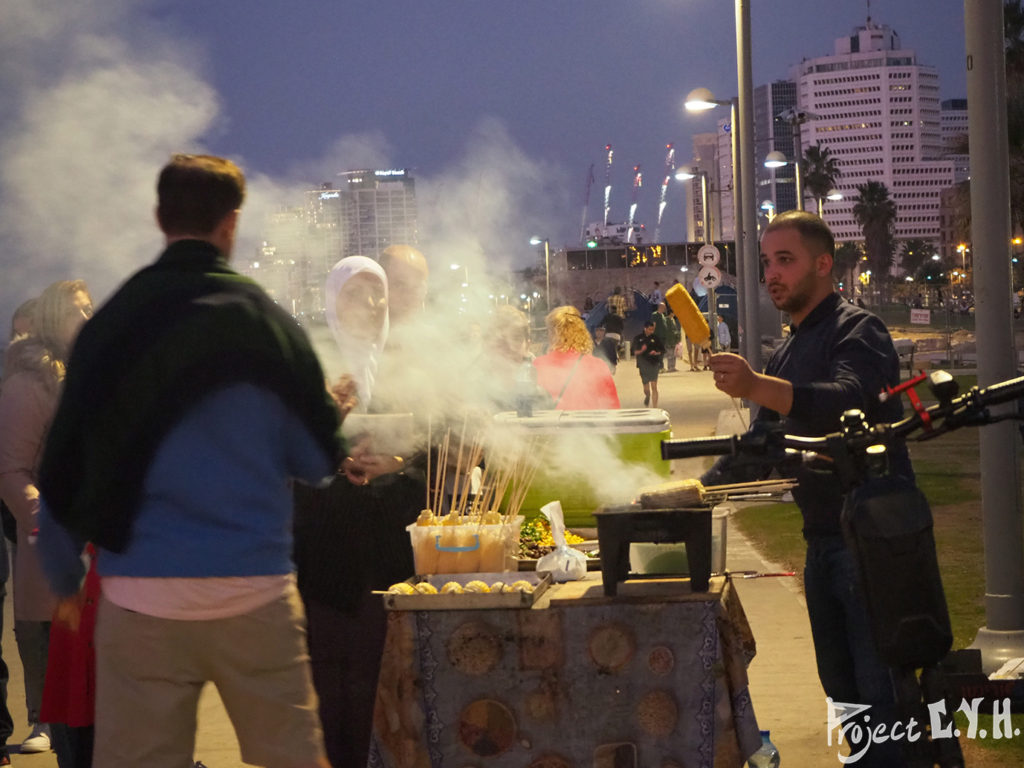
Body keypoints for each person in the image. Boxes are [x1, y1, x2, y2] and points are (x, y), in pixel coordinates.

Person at [35, 154, 350, 768]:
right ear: (231, 225)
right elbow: (316, 459)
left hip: (140, 598)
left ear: (159, 218)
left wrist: (63, 576)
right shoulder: (266, 321)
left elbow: (65, 463)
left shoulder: (114, 323)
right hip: (255, 591)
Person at [705, 210, 909, 767]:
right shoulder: (789, 350)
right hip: (822, 543)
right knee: (846, 698)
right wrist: (685, 493)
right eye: (767, 262)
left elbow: (850, 399)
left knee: (884, 697)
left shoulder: (857, 329)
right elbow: (764, 447)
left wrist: (756, 385)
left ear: (824, 264)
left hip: (873, 542)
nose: (772, 273)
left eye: (785, 260)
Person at [293, 256, 423, 768]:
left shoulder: (410, 362)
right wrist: (333, 447)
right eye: (355, 293)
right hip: (326, 545)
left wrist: (396, 461)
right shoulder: (310, 362)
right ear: (333, 299)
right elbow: (283, 445)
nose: (369, 304)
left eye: (378, 293)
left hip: (392, 543)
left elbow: (440, 444)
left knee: (385, 676)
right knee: (328, 679)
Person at [0, 281, 92, 762]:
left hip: (104, 558)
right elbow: (11, 472)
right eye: (78, 309)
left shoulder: (93, 376)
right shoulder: (28, 384)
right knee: (71, 699)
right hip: (60, 557)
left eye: (90, 305)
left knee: (100, 692)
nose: (88, 315)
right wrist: (50, 528)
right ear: (56, 318)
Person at [533, 306, 619, 410]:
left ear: (553, 333)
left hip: (551, 425)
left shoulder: (537, 366)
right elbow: (612, 408)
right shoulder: (598, 366)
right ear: (582, 332)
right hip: (590, 425)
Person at [632, 319, 664, 407]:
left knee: (654, 386)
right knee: (646, 388)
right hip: (643, 365)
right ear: (645, 328)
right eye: (649, 329)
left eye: (652, 329)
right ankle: (647, 395)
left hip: (654, 364)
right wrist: (642, 350)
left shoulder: (656, 338)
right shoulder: (638, 338)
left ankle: (655, 407)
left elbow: (662, 350)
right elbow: (633, 352)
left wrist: (656, 353)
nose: (651, 331)